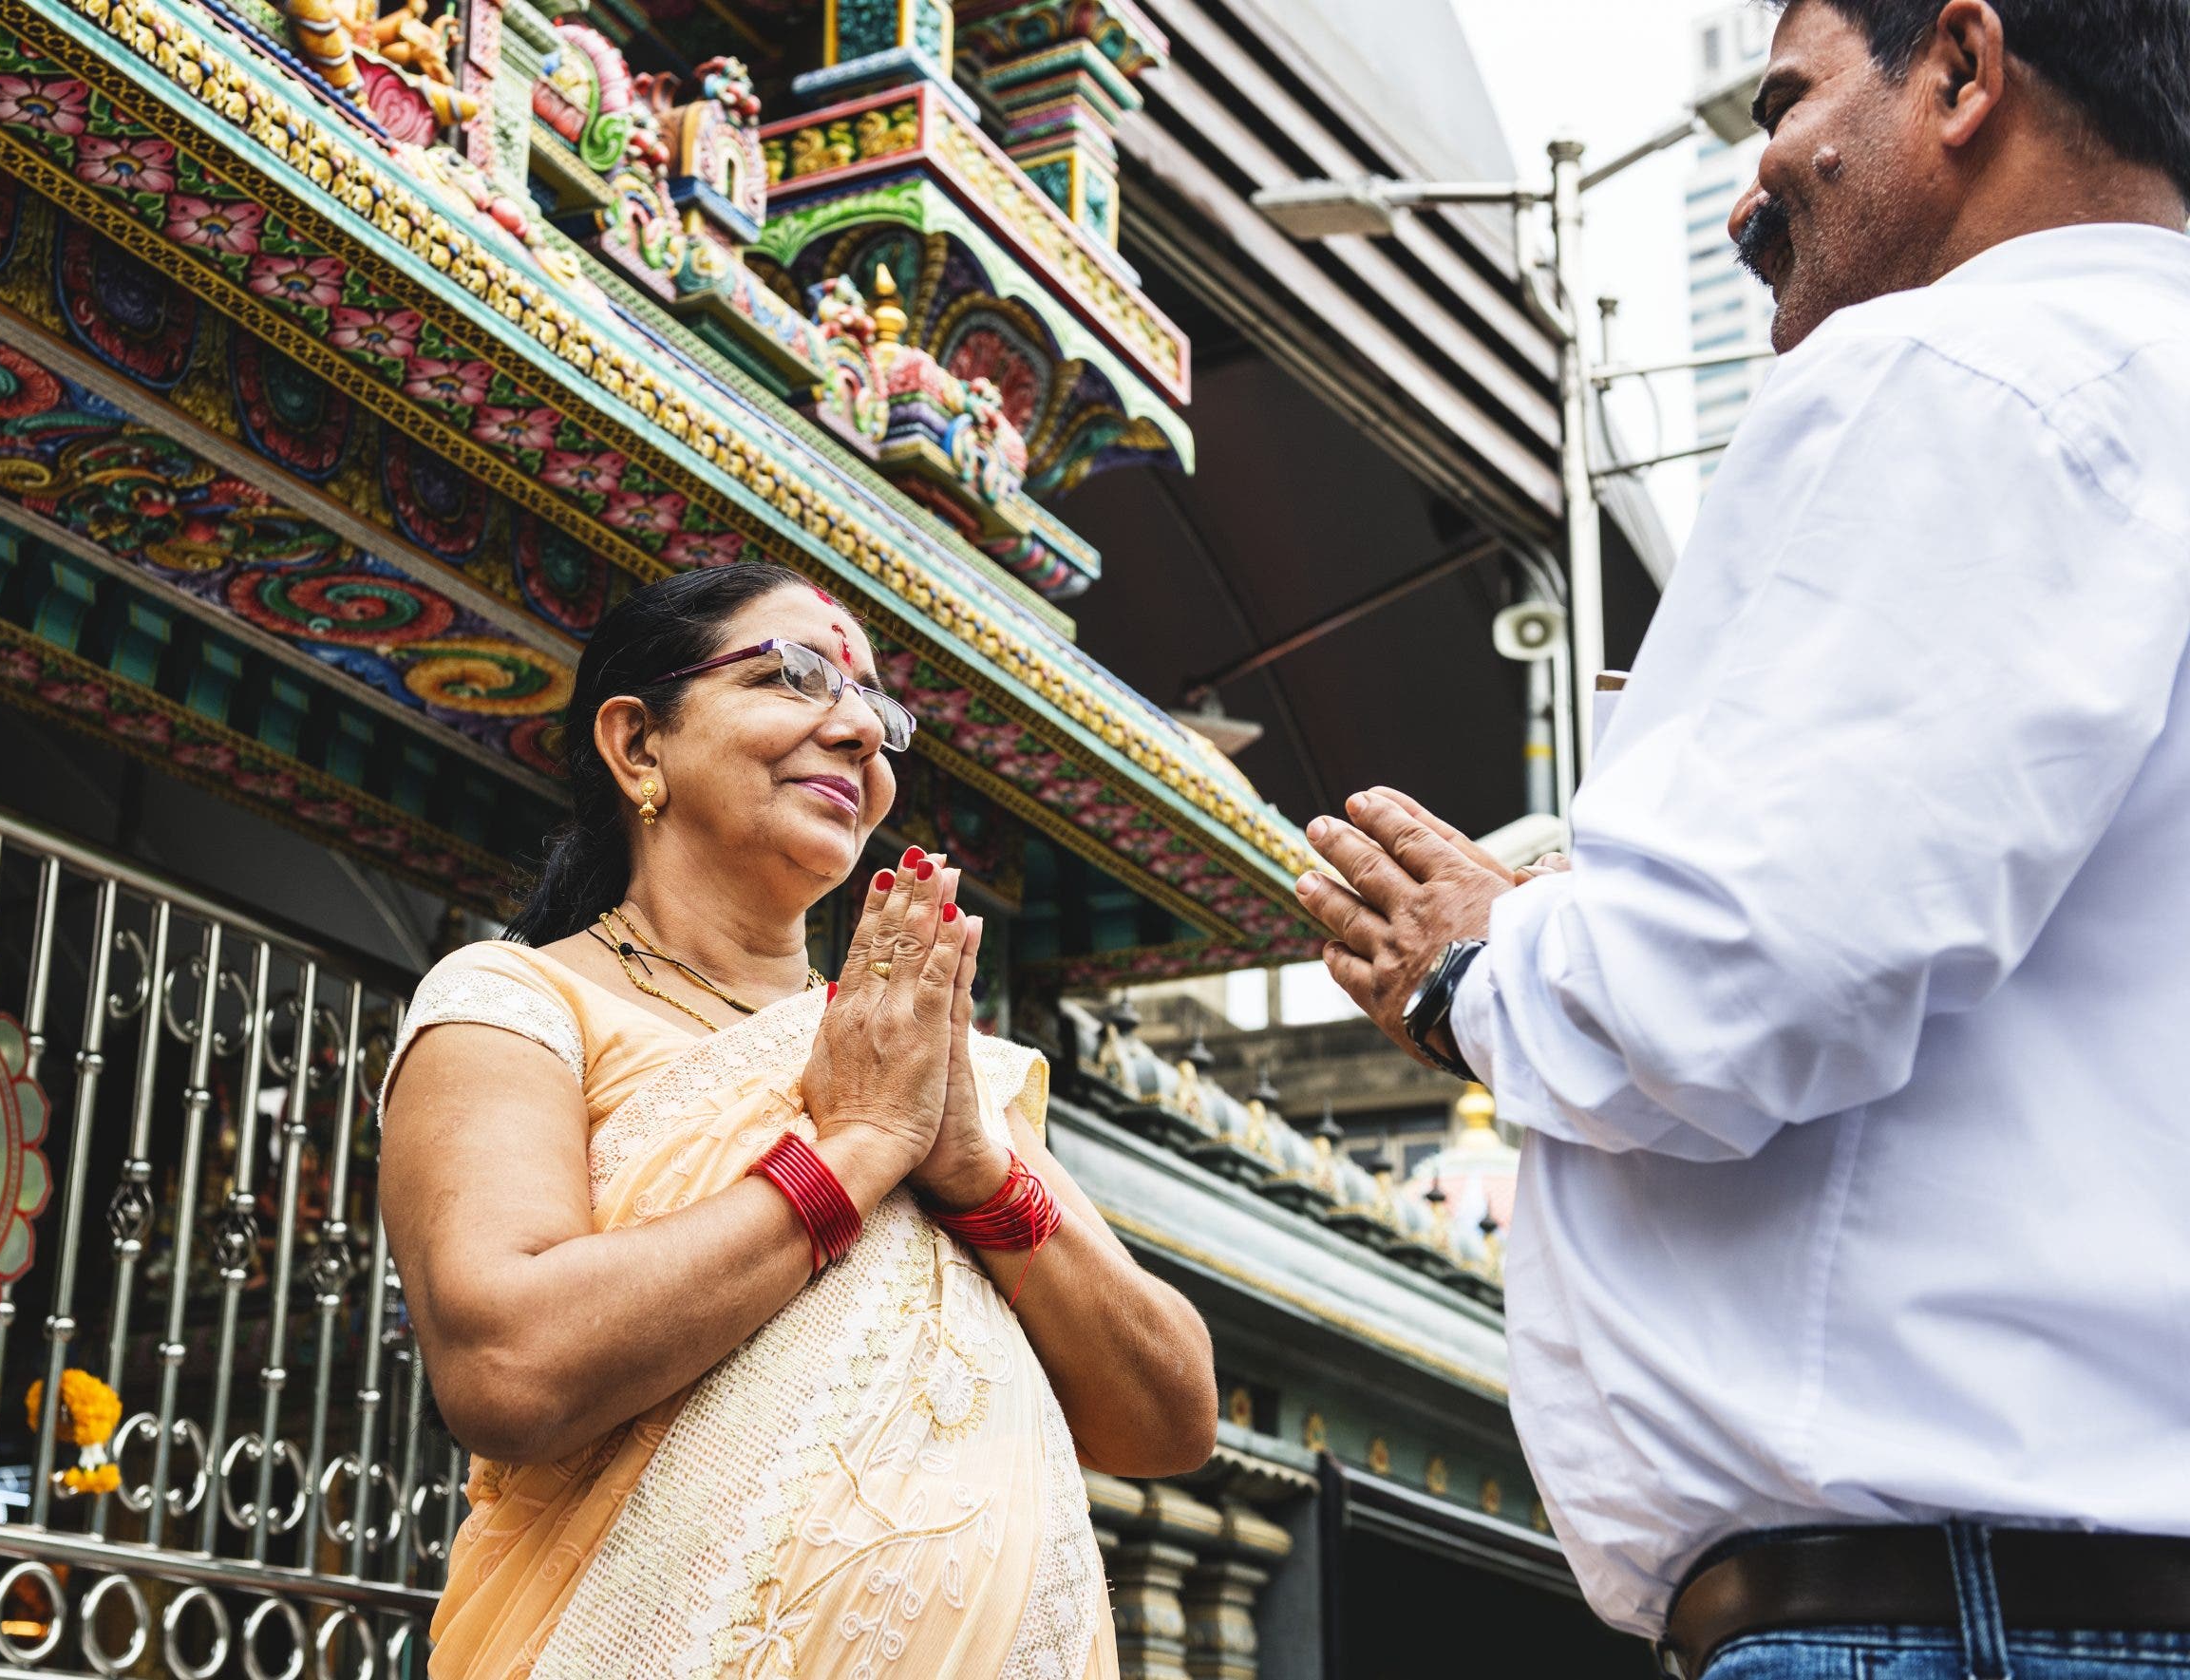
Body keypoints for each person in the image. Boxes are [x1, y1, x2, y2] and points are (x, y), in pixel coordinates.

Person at [1292, 2, 2190, 1676]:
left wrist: (1482, 955)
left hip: (1955, 1613)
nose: (1745, 192)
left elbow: (1731, 981)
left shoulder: (1954, 367)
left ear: (1964, 72)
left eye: (1784, 105)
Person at [377, 562, 1218, 1680]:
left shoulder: (917, 1057)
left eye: (877, 708)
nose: (860, 730)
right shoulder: (520, 1003)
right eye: (795, 676)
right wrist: (856, 1151)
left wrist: (977, 1171)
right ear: (638, 746)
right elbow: (508, 1364)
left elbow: (1168, 1415)